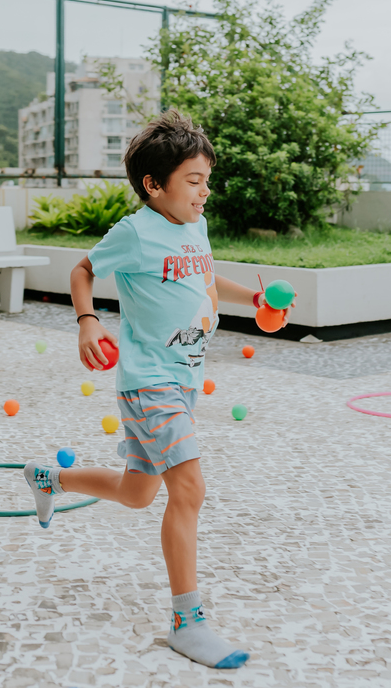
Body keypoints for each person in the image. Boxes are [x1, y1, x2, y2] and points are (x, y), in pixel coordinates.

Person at [22, 110, 286, 670]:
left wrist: (256, 302)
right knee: (189, 490)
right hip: (150, 384)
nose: (204, 192)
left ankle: (49, 478)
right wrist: (88, 320)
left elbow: (206, 279)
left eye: (206, 180)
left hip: (182, 381)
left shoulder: (194, 226)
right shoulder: (135, 232)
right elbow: (81, 271)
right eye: (193, 181)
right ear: (153, 185)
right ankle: (187, 624)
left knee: (140, 492)